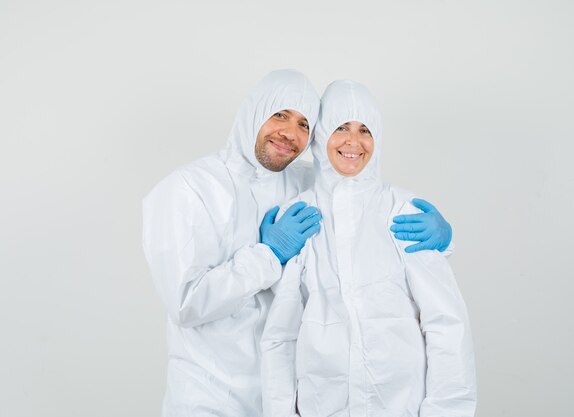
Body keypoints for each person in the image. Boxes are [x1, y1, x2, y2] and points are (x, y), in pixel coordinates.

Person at [143, 70, 453, 416]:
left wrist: (440, 238)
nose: (290, 133)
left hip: (289, 398)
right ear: (254, 112)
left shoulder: (306, 183)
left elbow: (359, 209)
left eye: (305, 124)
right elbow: (187, 303)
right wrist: (268, 254)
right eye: (280, 115)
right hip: (211, 396)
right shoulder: (187, 189)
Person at [261, 80, 476, 417]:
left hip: (399, 404)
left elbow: (446, 323)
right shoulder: (301, 217)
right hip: (323, 403)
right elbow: (280, 334)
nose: (354, 141)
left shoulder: (402, 211)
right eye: (341, 127)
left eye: (365, 130)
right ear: (319, 137)